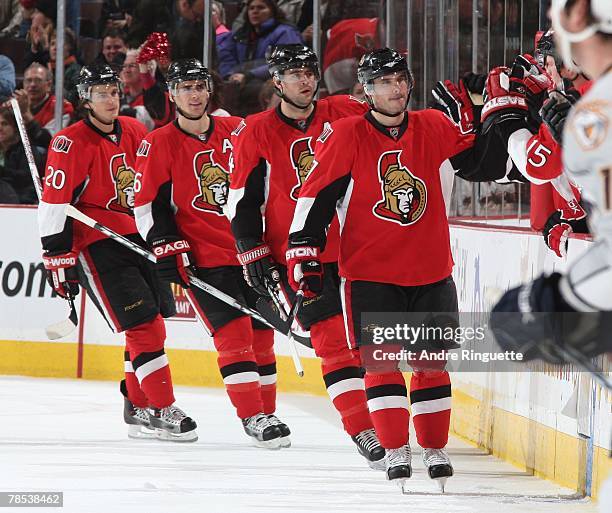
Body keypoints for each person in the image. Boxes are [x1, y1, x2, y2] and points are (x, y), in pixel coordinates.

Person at [286, 48, 509, 489]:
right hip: (370, 274)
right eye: (384, 82)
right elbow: (315, 198)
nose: (396, 89)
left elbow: (483, 165)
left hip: (431, 271)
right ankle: (394, 448)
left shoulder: (433, 125)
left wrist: (497, 119)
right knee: (382, 364)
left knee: (432, 364)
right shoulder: (348, 134)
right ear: (367, 90)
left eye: (400, 80)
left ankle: (433, 446)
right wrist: (303, 253)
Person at [227, 44, 386, 469]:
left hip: (356, 248)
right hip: (298, 254)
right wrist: (251, 249)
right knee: (333, 345)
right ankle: (363, 430)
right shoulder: (256, 130)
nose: (304, 80)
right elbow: (241, 199)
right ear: (276, 82)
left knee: (367, 347)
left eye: (309, 72)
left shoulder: (347, 112)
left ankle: (384, 421)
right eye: (293, 73)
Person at [37, 63, 198, 442]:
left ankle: (139, 405)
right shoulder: (69, 142)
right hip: (97, 243)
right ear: (85, 100)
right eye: (100, 93)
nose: (110, 99)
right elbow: (54, 202)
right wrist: (56, 257)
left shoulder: (135, 130)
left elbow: (153, 184)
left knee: (153, 323)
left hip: (139, 239)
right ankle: (162, 406)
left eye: (113, 91)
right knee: (142, 326)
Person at [134, 58, 288, 449]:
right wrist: (167, 245)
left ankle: (266, 413)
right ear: (172, 94)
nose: (194, 94)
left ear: (209, 91)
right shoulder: (158, 142)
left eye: (199, 86)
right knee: (234, 338)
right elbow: (146, 204)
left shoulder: (235, 129)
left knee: (262, 337)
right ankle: (253, 416)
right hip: (205, 261)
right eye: (185, 87)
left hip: (250, 252)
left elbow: (264, 181)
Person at [491, 0, 612, 363]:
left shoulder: (597, 114)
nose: (549, 16)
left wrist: (557, 304)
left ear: (578, 14)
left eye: (556, 7)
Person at [218, 0, 303, 115]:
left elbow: (286, 62)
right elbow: (226, 56)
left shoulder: (285, 32)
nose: (255, 12)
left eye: (261, 8)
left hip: (272, 80)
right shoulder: (240, 34)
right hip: (240, 80)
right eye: (251, 8)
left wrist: (249, 75)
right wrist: (230, 74)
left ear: (272, 11)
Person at [0, 104, 46, 204]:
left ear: (16, 127)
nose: (0, 128)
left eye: (5, 124)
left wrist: (2, 171)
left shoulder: (27, 150)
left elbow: (28, 178)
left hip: (21, 201)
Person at [23, 63, 74, 135]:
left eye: (38, 80)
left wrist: (26, 114)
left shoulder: (61, 107)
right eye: (28, 80)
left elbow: (50, 140)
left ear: (49, 85)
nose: (32, 85)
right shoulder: (14, 104)